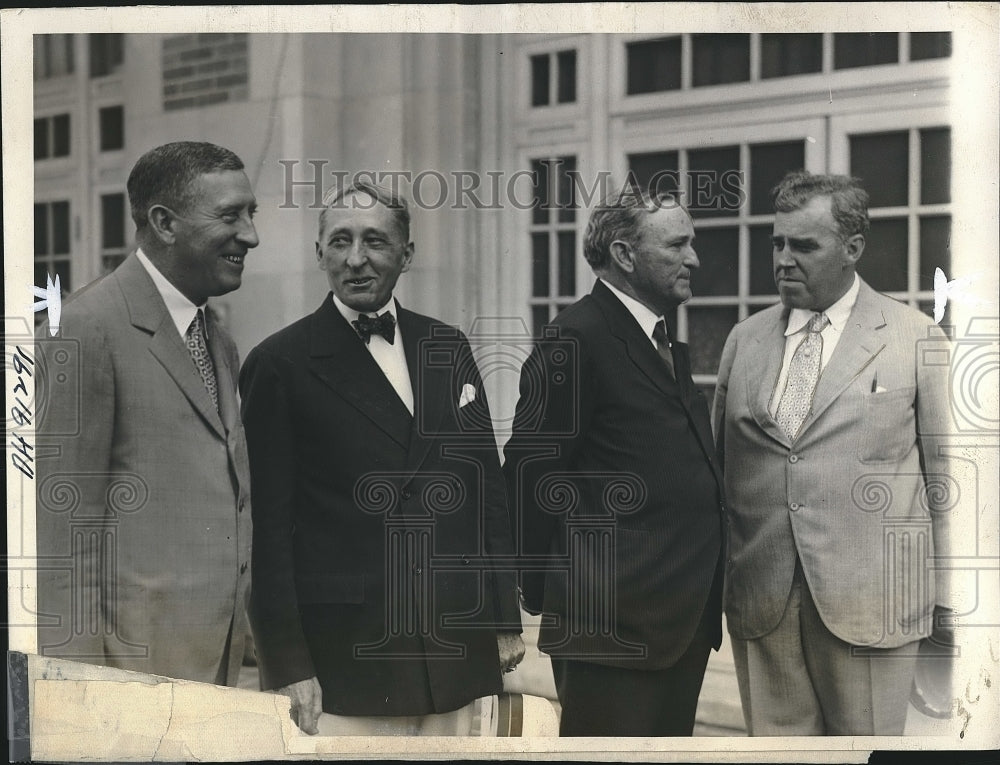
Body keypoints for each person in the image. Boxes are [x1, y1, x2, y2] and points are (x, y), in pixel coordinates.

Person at [240, 180, 524, 735]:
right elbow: (266, 531)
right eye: (339, 240)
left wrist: (502, 619)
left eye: (375, 241)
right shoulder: (279, 363)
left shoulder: (447, 345)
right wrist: (288, 663)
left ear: (407, 255)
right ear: (318, 252)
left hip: (456, 642)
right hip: (348, 657)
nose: (356, 259)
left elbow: (486, 491)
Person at [712, 170, 956, 735]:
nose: (783, 260)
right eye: (777, 243)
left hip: (873, 606)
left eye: (804, 245)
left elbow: (948, 482)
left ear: (853, 249)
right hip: (763, 604)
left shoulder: (914, 337)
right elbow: (720, 474)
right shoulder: (742, 342)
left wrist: (950, 600)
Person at [503, 187, 725, 736]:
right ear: (625, 255)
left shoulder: (659, 340)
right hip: (611, 635)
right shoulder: (575, 339)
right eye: (677, 245)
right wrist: (547, 591)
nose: (693, 259)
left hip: (676, 627)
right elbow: (530, 476)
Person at [35, 141, 259, 685]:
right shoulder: (82, 330)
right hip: (127, 677)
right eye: (230, 215)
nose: (251, 235)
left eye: (251, 214)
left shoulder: (219, 342)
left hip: (213, 666)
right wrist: (78, 691)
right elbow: (59, 541)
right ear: (163, 222)